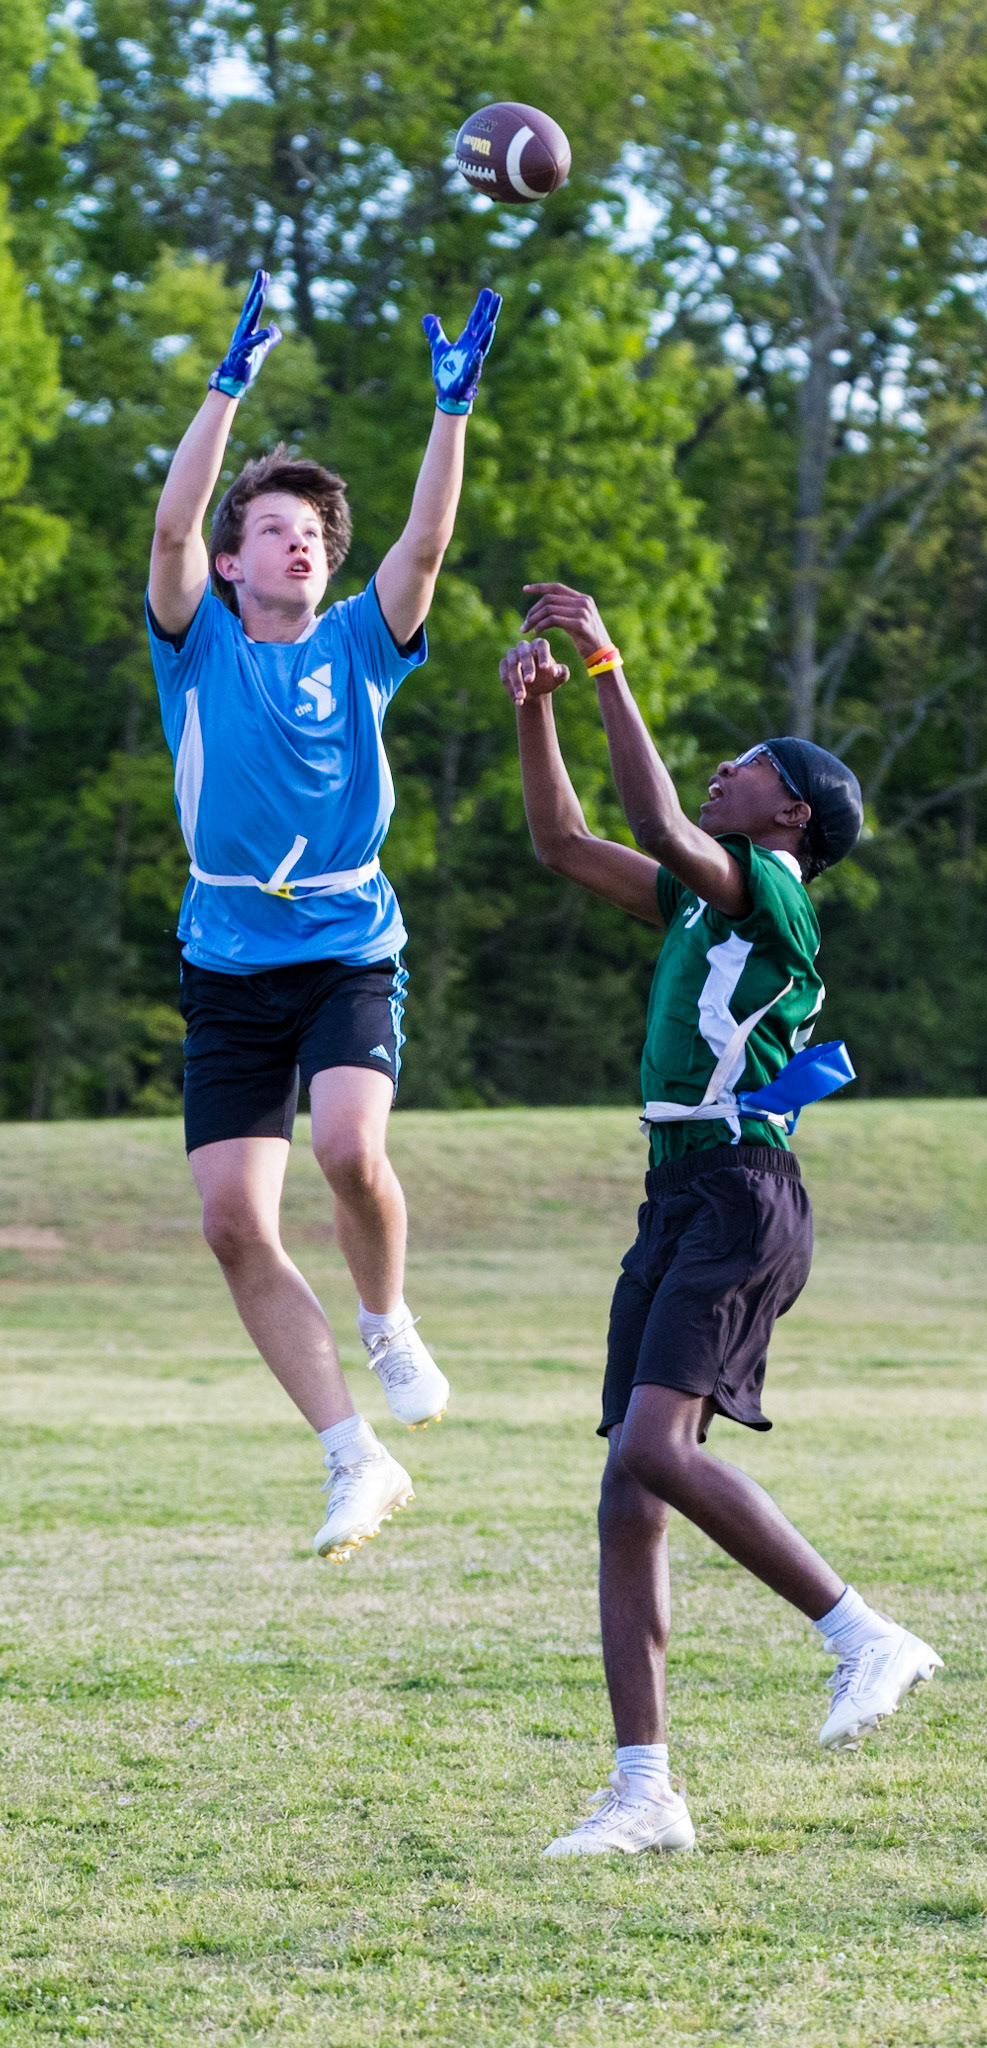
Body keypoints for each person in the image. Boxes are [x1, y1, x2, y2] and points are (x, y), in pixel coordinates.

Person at [500, 583, 943, 1858]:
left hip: (743, 1193)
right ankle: (645, 1791)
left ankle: (864, 1633)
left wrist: (605, 662)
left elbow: (649, 815)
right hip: (679, 1192)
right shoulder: (707, 898)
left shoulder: (777, 891)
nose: (719, 772)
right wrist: (535, 711)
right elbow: (566, 842)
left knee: (655, 1449)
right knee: (627, 1485)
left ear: (791, 812)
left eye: (743, 765)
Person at [147, 271, 502, 1562]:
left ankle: (389, 1320)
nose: (298, 544)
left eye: (312, 533)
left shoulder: (358, 641)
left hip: (349, 941)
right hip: (227, 956)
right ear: (233, 563)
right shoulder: (195, 642)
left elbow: (427, 546)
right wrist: (224, 393)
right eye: (273, 530)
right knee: (233, 1223)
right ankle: (356, 1456)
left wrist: (450, 413)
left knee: (351, 1149)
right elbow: (172, 531)